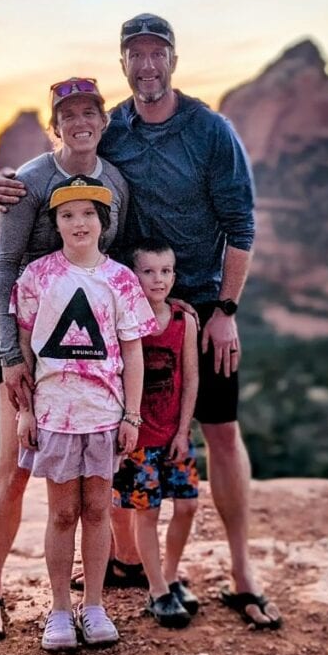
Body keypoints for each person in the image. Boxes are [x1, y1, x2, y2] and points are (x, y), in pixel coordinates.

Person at [0, 13, 281, 629]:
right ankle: (126, 563)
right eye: (136, 55)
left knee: (221, 433)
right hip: (119, 308)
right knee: (125, 432)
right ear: (124, 62)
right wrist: (7, 182)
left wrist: (225, 310)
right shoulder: (113, 125)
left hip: (198, 304)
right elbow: (66, 155)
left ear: (173, 59)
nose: (147, 65)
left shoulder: (210, 130)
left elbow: (242, 225)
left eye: (158, 54)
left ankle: (240, 572)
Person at [0, 78, 129, 641]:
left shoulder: (114, 183)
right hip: (28, 349)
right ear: (55, 126)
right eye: (69, 114)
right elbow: (5, 266)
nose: (81, 121)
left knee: (93, 487)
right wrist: (9, 355)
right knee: (13, 468)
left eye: (91, 112)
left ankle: (94, 598)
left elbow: (111, 262)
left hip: (85, 358)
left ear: (103, 122)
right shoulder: (29, 182)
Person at [12, 175, 158, 651]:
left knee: (97, 510)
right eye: (68, 214)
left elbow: (133, 353)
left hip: (104, 415)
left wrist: (132, 417)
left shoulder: (120, 280)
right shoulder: (37, 278)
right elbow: (26, 348)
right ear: (55, 223)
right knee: (61, 513)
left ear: (103, 221)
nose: (79, 222)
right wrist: (26, 411)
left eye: (89, 213)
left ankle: (93, 605)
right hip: (55, 414)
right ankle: (58, 610)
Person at [112, 239, 199, 629]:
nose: (158, 279)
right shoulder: (126, 319)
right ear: (134, 275)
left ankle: (172, 576)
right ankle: (157, 590)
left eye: (165, 271)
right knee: (148, 513)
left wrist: (184, 431)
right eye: (148, 271)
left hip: (174, 434)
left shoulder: (184, 321)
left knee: (187, 506)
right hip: (141, 438)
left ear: (174, 275)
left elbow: (191, 378)